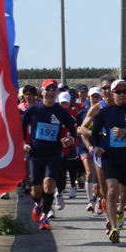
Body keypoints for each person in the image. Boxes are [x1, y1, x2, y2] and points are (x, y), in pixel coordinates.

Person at [91, 80, 126, 243]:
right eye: (118, 92)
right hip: (110, 157)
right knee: (111, 191)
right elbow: (94, 132)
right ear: (112, 93)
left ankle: (120, 210)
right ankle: (114, 227)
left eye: (124, 91)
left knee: (124, 196)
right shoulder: (104, 113)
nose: (121, 94)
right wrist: (95, 147)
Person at [21, 79, 77, 230]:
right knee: (35, 190)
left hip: (54, 153)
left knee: (49, 184)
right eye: (48, 89)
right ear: (42, 91)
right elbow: (21, 126)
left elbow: (73, 130)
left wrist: (70, 139)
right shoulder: (33, 109)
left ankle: (45, 217)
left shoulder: (61, 112)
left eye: (54, 90)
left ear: (57, 92)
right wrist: (23, 144)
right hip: (36, 153)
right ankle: (38, 204)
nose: (51, 92)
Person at [76, 87, 103, 212]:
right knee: (88, 171)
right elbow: (79, 129)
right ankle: (90, 201)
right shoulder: (82, 113)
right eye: (93, 96)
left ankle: (99, 200)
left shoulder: (104, 112)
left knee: (99, 175)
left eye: (97, 96)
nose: (95, 98)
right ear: (88, 98)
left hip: (101, 147)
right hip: (85, 146)